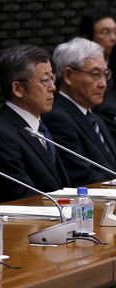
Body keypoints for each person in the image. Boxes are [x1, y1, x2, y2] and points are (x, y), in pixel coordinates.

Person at [0, 45, 70, 203]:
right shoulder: (1, 136)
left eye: (52, 78)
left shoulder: (41, 127)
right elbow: (22, 197)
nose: (53, 87)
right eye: (45, 80)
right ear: (18, 89)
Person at [43, 37, 116, 185]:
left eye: (105, 74)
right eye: (95, 74)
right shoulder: (57, 119)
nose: (103, 84)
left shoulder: (95, 118)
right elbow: (82, 176)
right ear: (69, 76)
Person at [79, 8, 116, 139]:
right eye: (105, 33)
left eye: (115, 32)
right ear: (87, 37)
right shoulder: (80, 67)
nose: (113, 38)